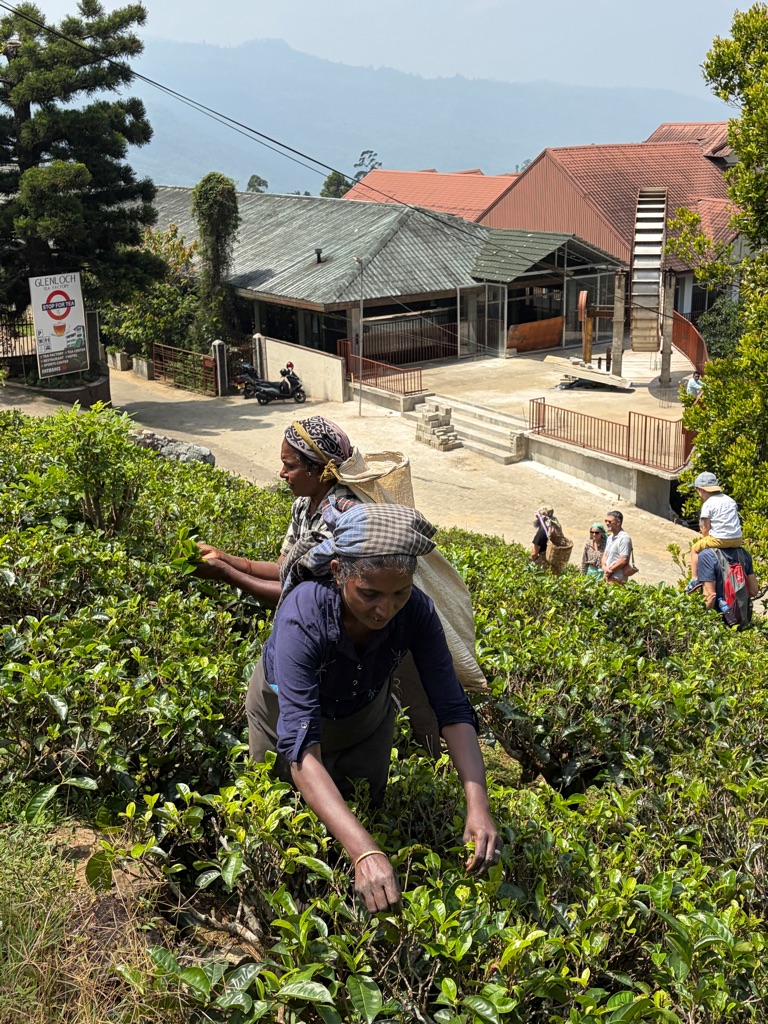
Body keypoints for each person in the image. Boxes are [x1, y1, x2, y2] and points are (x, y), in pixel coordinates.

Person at [245, 500, 502, 913]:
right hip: (283, 718)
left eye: (399, 593)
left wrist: (479, 806)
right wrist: (364, 852)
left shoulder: (416, 612)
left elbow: (452, 709)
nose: (385, 610)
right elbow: (300, 744)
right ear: (337, 572)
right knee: (284, 818)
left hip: (364, 716)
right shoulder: (304, 614)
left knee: (365, 807)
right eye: (369, 594)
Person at [195, 416, 355, 606]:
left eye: (290, 466)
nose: (282, 473)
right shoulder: (304, 504)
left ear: (320, 470)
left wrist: (225, 572)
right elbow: (282, 569)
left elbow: (300, 595)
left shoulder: (341, 515)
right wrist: (223, 558)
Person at [686, 472, 743, 593]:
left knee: (694, 549)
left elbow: (705, 528)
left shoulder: (708, 504)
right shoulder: (730, 500)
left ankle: (694, 579)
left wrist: (706, 539)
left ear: (702, 490)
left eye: (697, 490)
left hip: (720, 539)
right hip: (738, 539)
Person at [697, 542, 759, 620]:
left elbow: (710, 596)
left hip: (719, 620)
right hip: (742, 618)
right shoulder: (743, 553)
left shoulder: (706, 555)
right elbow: (754, 590)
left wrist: (701, 620)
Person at [602, 510, 634, 584]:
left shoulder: (624, 538)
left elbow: (623, 560)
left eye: (609, 521)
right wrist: (603, 566)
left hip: (617, 578)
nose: (607, 523)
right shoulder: (610, 537)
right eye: (606, 521)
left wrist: (610, 571)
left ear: (618, 522)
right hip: (608, 576)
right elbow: (605, 554)